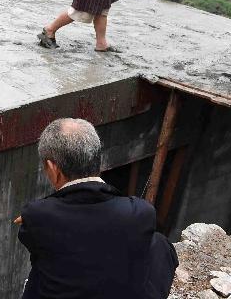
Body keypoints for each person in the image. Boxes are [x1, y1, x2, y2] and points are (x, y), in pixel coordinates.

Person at [16, 118, 178, 299]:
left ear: (53, 169)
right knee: (159, 243)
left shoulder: (37, 216)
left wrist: (35, 216)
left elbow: (64, 233)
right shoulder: (141, 212)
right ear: (97, 158)